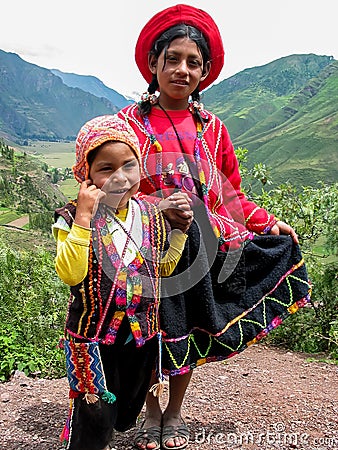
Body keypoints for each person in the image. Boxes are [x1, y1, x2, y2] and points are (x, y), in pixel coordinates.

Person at [118, 4, 312, 450]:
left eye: (193, 63)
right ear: (153, 63)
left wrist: (268, 223)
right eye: (173, 59)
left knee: (186, 326)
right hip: (142, 247)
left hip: (200, 249)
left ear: (204, 73)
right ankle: (150, 411)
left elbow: (230, 197)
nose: (182, 70)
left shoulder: (215, 131)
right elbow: (111, 188)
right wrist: (157, 206)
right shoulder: (128, 125)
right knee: (148, 332)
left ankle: (175, 411)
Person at [52, 114, 193, 450]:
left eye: (129, 165)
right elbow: (71, 273)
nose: (120, 177)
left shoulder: (149, 213)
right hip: (93, 338)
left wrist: (179, 233)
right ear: (86, 174)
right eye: (105, 169)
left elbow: (163, 268)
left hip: (139, 336)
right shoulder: (71, 217)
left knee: (126, 406)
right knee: (94, 412)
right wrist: (84, 218)